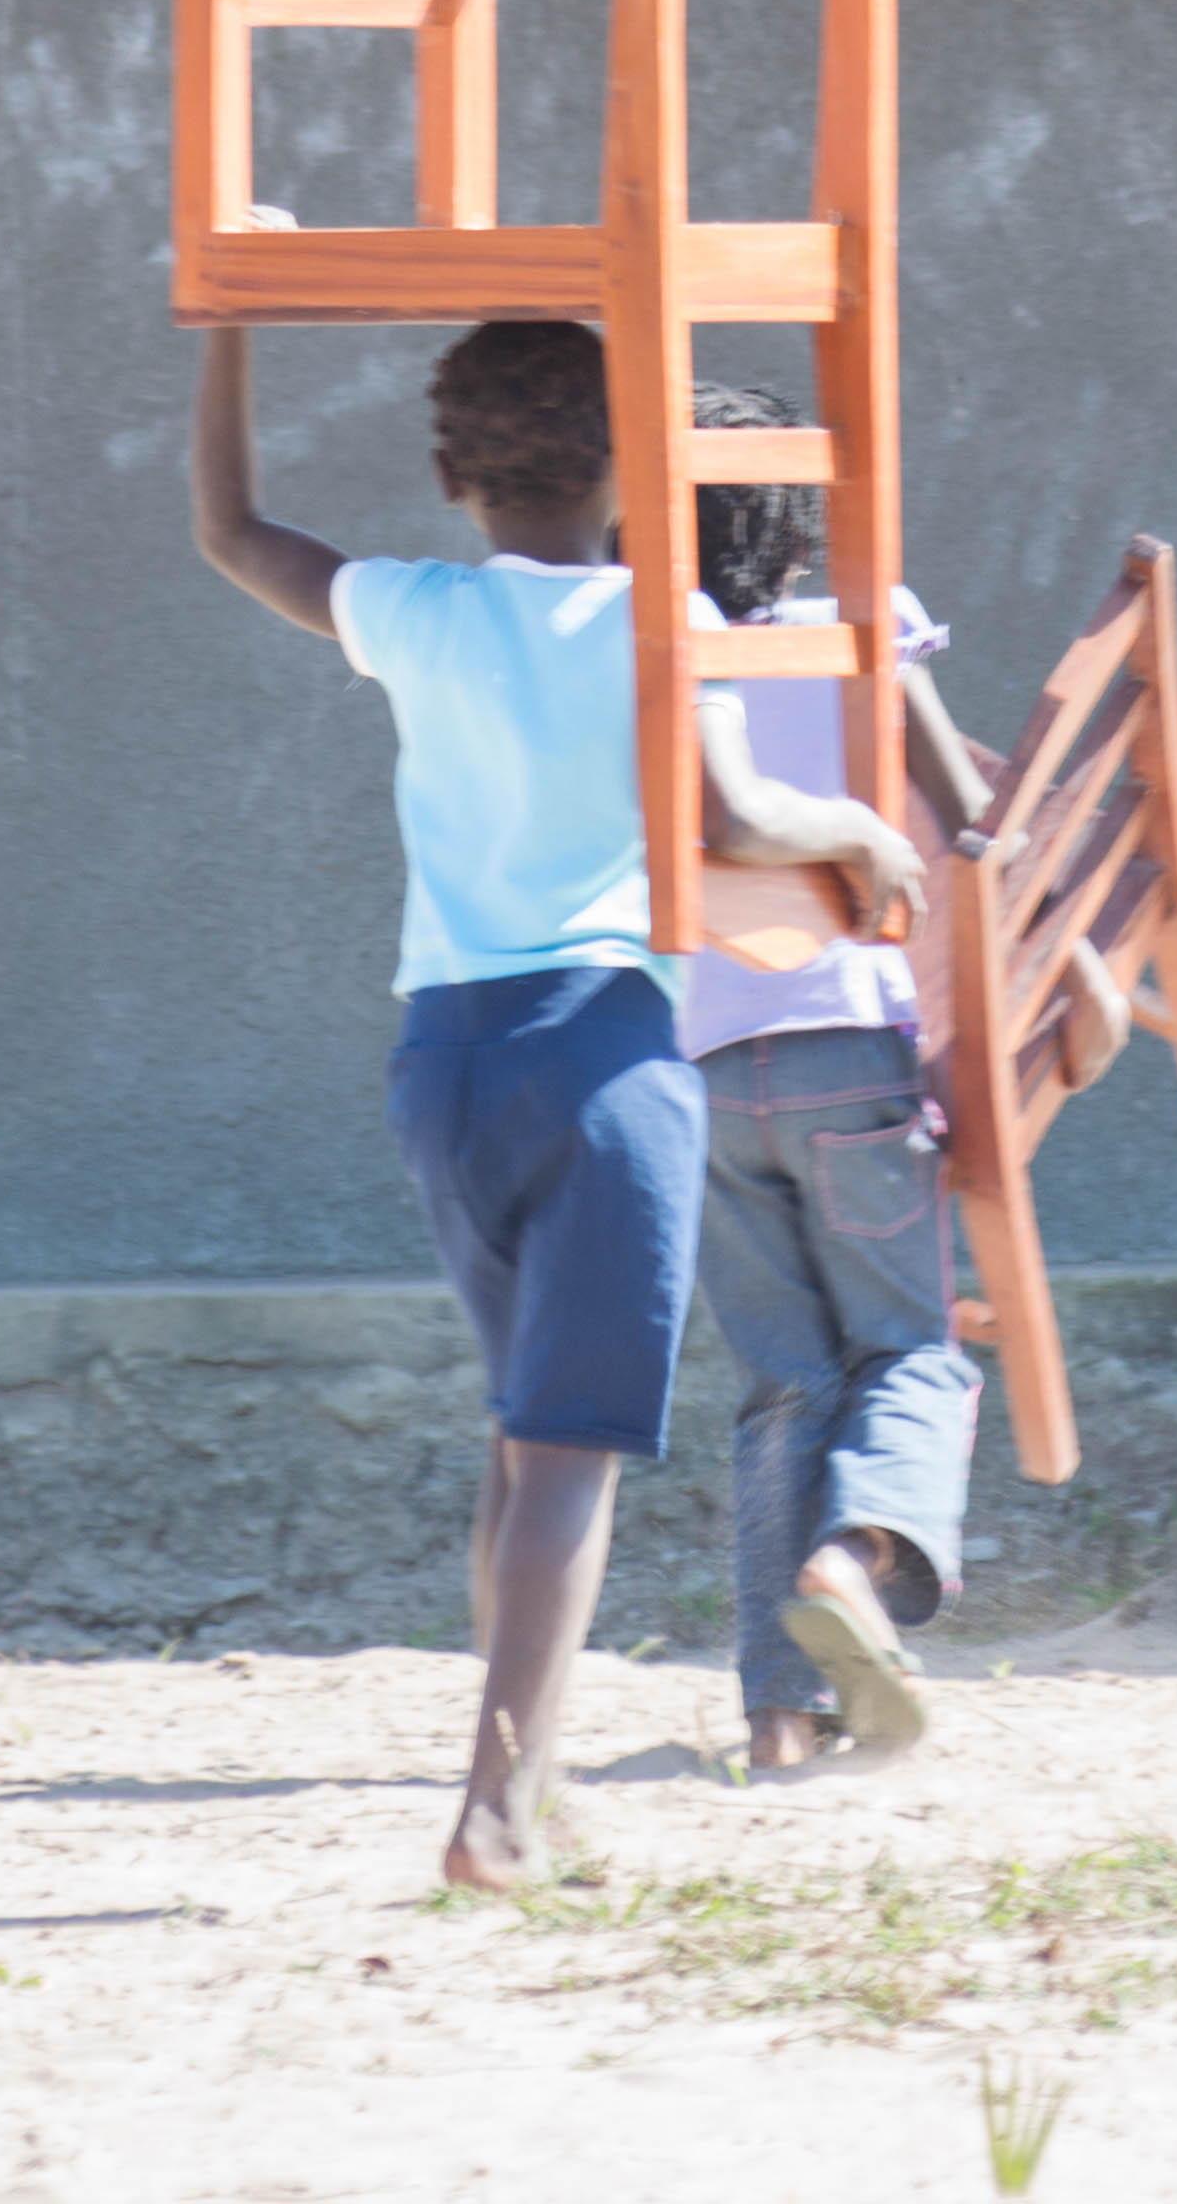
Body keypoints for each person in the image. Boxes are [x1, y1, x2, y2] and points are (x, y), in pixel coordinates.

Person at [188, 273, 922, 1892]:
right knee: (569, 1460)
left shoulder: (419, 612)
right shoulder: (662, 628)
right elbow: (739, 820)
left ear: (455, 473)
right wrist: (864, 835)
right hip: (602, 1055)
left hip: (442, 1056)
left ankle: (530, 1786)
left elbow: (235, 531)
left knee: (526, 1444)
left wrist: (233, 327)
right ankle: (494, 1817)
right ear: (633, 472)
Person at [674, 377, 1001, 1772]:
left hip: (698, 1068)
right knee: (914, 1346)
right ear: (803, 535)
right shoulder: (859, 625)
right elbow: (970, 810)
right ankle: (857, 1563)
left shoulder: (650, 653)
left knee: (786, 1384)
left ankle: (774, 1717)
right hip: (848, 1051)